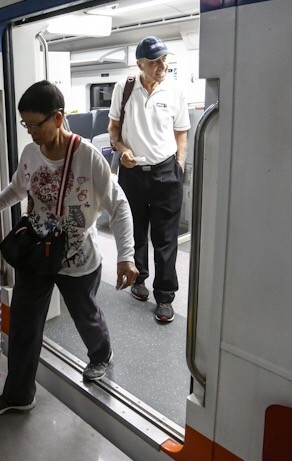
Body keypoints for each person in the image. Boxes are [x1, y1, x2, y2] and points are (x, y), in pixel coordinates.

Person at [0, 81, 138, 416]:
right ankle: (18, 394)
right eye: (25, 125)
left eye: (35, 125)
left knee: (84, 315)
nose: (30, 133)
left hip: (77, 259)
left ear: (57, 118)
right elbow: (17, 189)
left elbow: (120, 206)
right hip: (36, 254)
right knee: (24, 325)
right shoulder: (30, 154)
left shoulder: (87, 156)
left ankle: (100, 353)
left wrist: (126, 256)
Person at [107, 36, 190, 323]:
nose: (161, 65)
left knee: (165, 238)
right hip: (132, 173)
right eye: (154, 61)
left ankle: (165, 296)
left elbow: (182, 132)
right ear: (140, 63)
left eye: (164, 59)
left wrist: (179, 165)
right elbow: (113, 129)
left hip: (166, 172)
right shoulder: (125, 88)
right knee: (137, 231)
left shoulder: (176, 90)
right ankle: (138, 278)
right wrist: (122, 150)